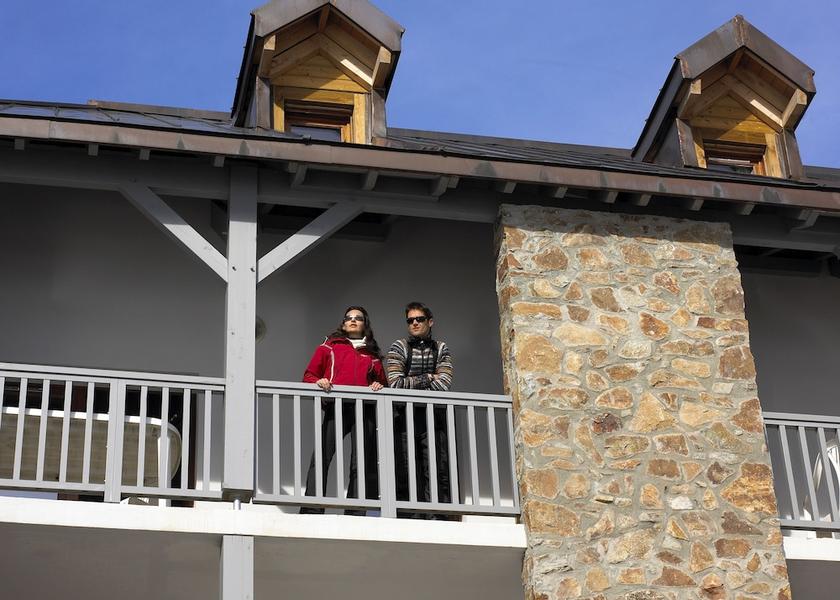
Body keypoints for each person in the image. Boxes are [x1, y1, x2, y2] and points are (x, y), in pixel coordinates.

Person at [300, 306, 387, 515]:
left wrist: (377, 385)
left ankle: (356, 511)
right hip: (336, 407)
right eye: (349, 318)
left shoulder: (372, 354)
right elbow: (309, 375)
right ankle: (312, 508)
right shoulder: (328, 347)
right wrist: (319, 381)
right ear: (344, 323)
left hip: (363, 409)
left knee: (361, 460)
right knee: (322, 456)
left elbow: (382, 383)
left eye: (358, 318)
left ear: (365, 323)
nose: (353, 320)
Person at [386, 302, 454, 516]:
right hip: (404, 417)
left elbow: (444, 384)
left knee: (437, 467)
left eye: (419, 319)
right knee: (405, 467)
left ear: (430, 322)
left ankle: (437, 515)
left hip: (433, 417)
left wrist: (413, 381)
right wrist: (428, 378)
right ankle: (409, 516)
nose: (414, 323)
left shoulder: (440, 348)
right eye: (410, 320)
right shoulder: (400, 346)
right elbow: (395, 383)